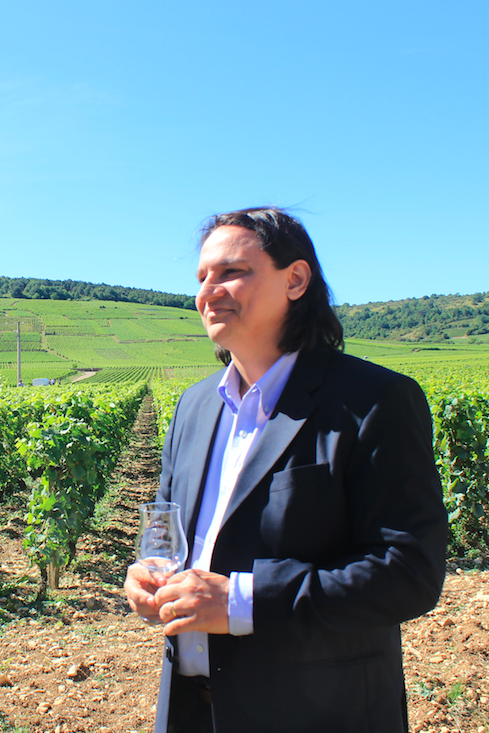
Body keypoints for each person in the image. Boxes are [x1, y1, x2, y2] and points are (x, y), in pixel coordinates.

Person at [124, 207, 447, 733]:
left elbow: (409, 572)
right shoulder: (193, 406)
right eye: (202, 278)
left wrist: (241, 602)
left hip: (319, 715)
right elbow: (171, 530)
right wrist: (147, 577)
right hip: (191, 711)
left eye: (231, 272)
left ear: (295, 279)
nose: (209, 292)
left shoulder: (374, 401)